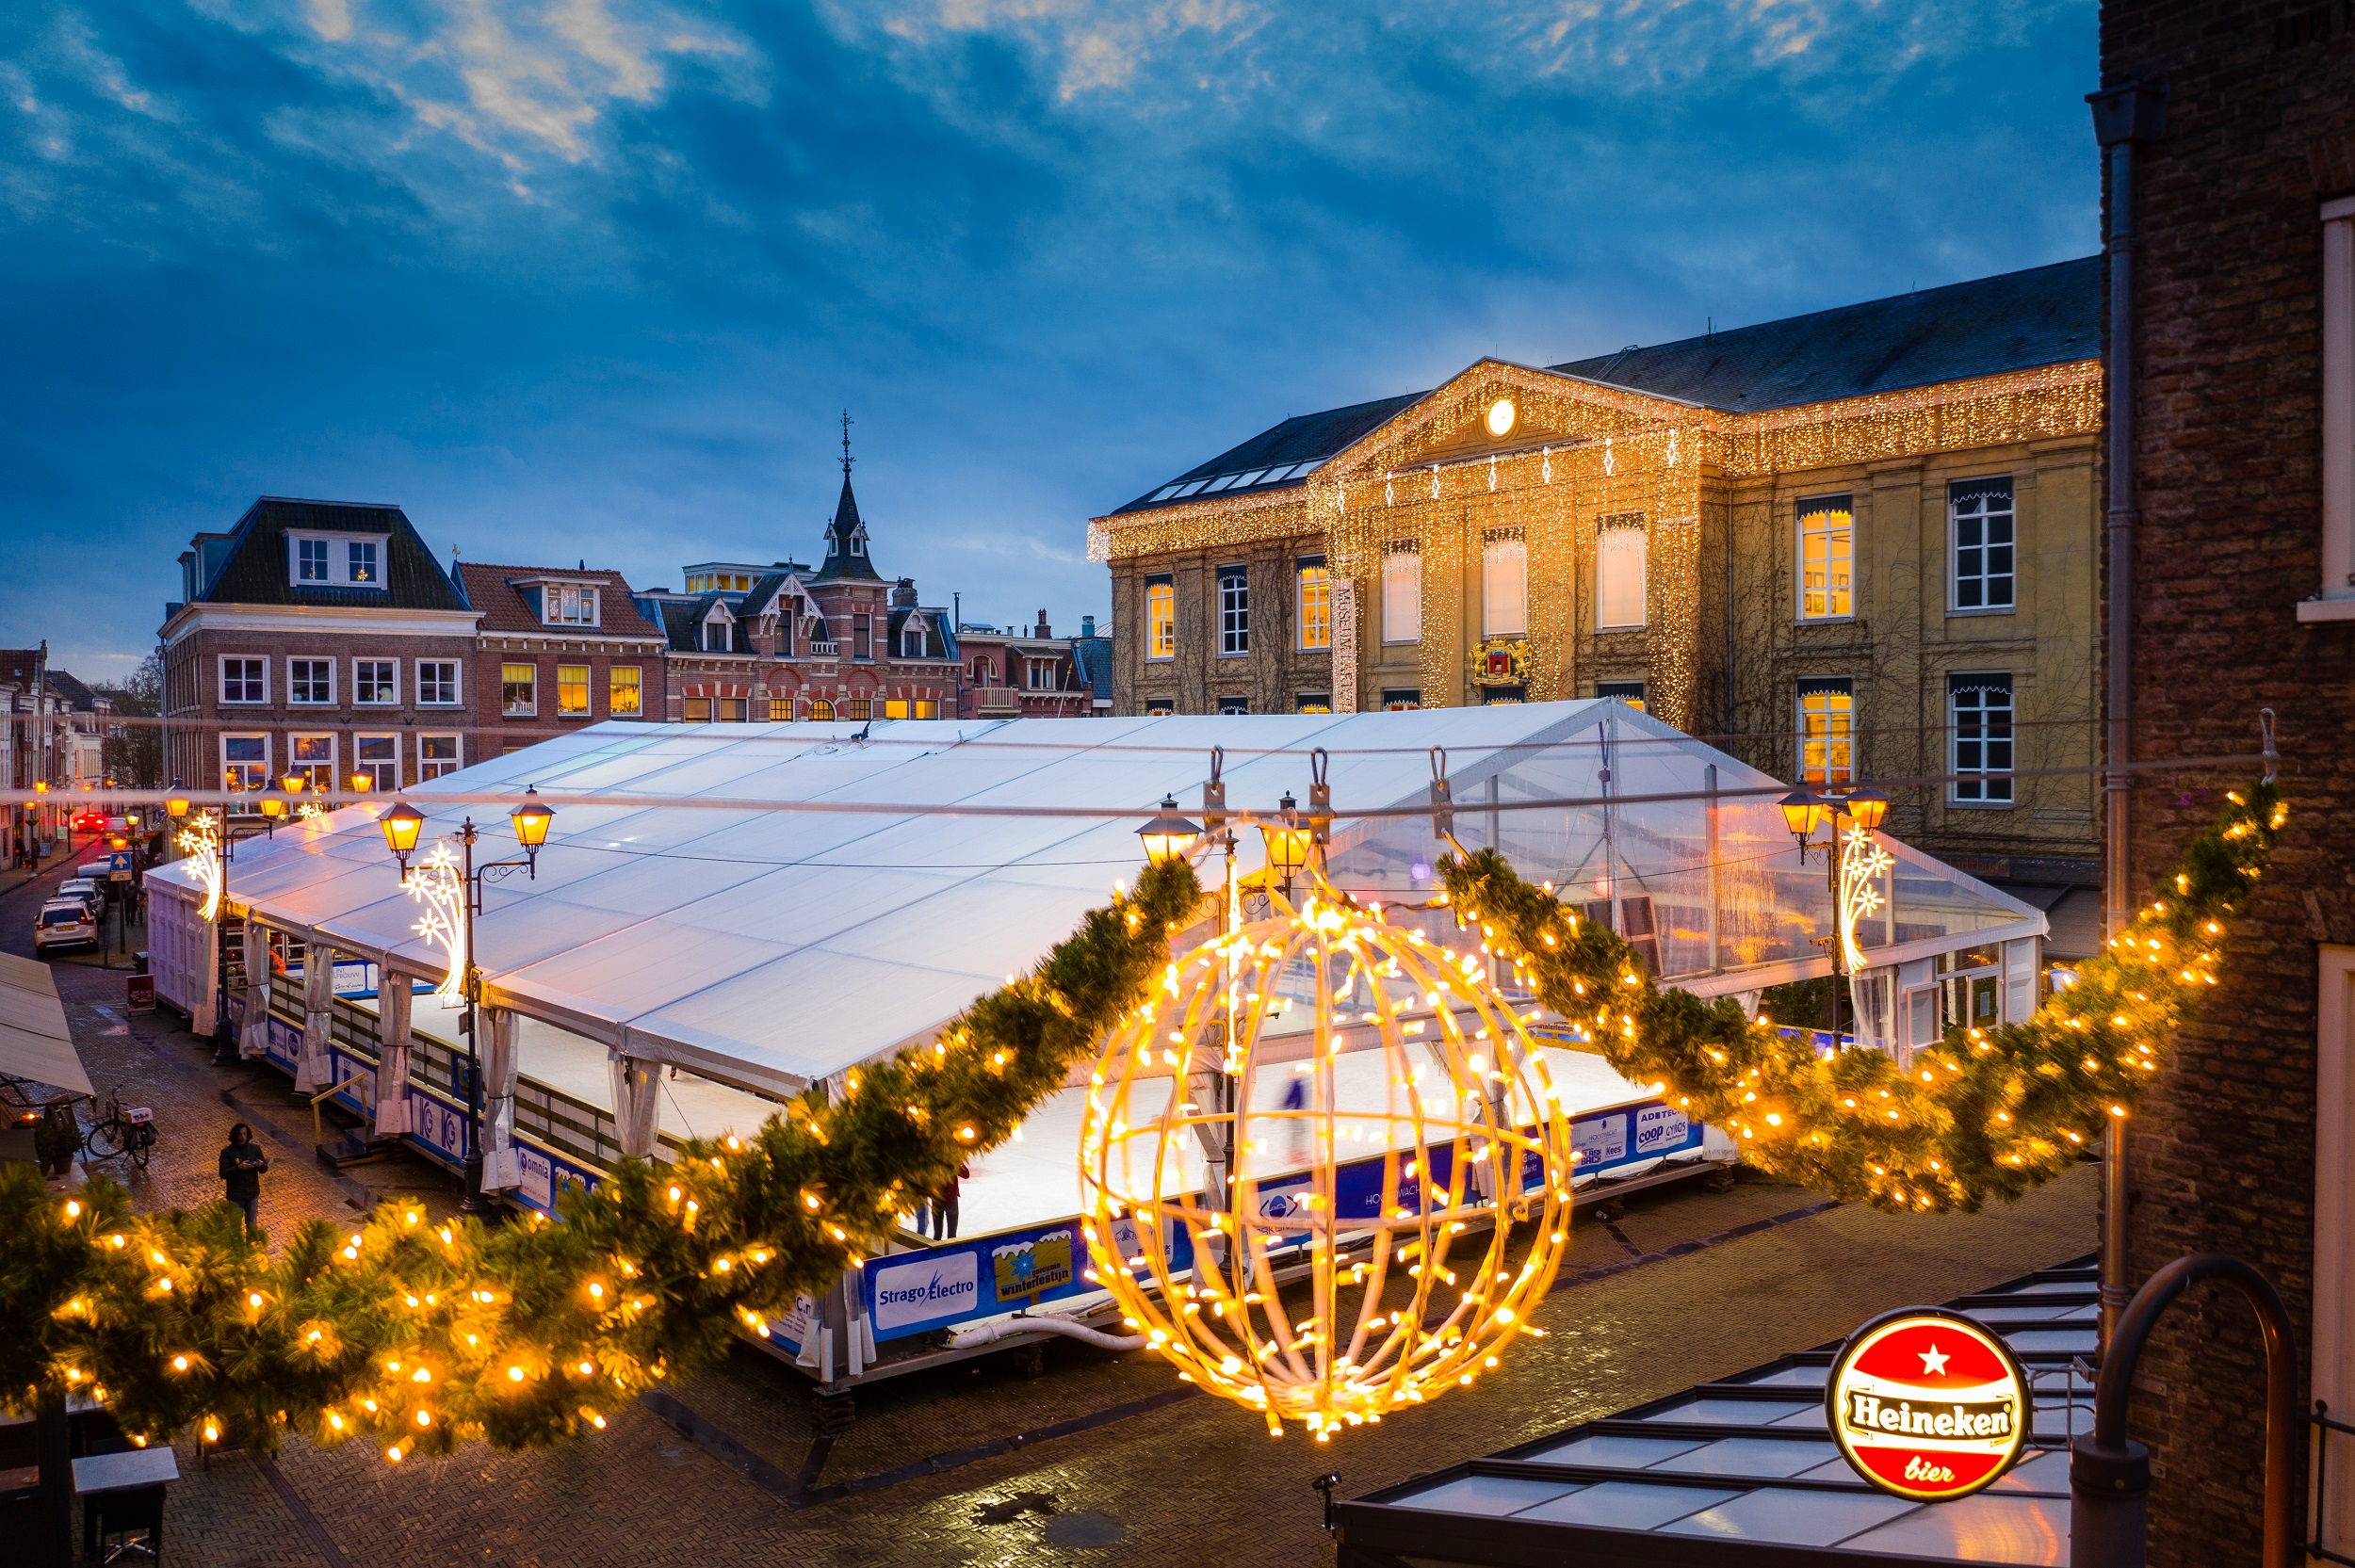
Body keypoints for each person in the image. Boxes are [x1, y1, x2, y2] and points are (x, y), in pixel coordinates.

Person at [219, 1123, 268, 1236]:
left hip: (252, 1194)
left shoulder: (255, 1149)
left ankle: (250, 1248)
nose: (243, 1137)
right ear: (234, 1136)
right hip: (236, 1196)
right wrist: (238, 1168)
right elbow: (223, 1173)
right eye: (240, 1134)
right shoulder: (227, 1152)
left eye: (245, 1134)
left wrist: (261, 1165)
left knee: (252, 1225)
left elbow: (264, 1169)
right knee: (235, 1227)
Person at [929, 1161, 970, 1241]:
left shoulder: (933, 1160)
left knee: (937, 1236)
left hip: (937, 1201)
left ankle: (937, 1253)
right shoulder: (953, 1161)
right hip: (951, 1201)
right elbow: (966, 1174)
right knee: (952, 1237)